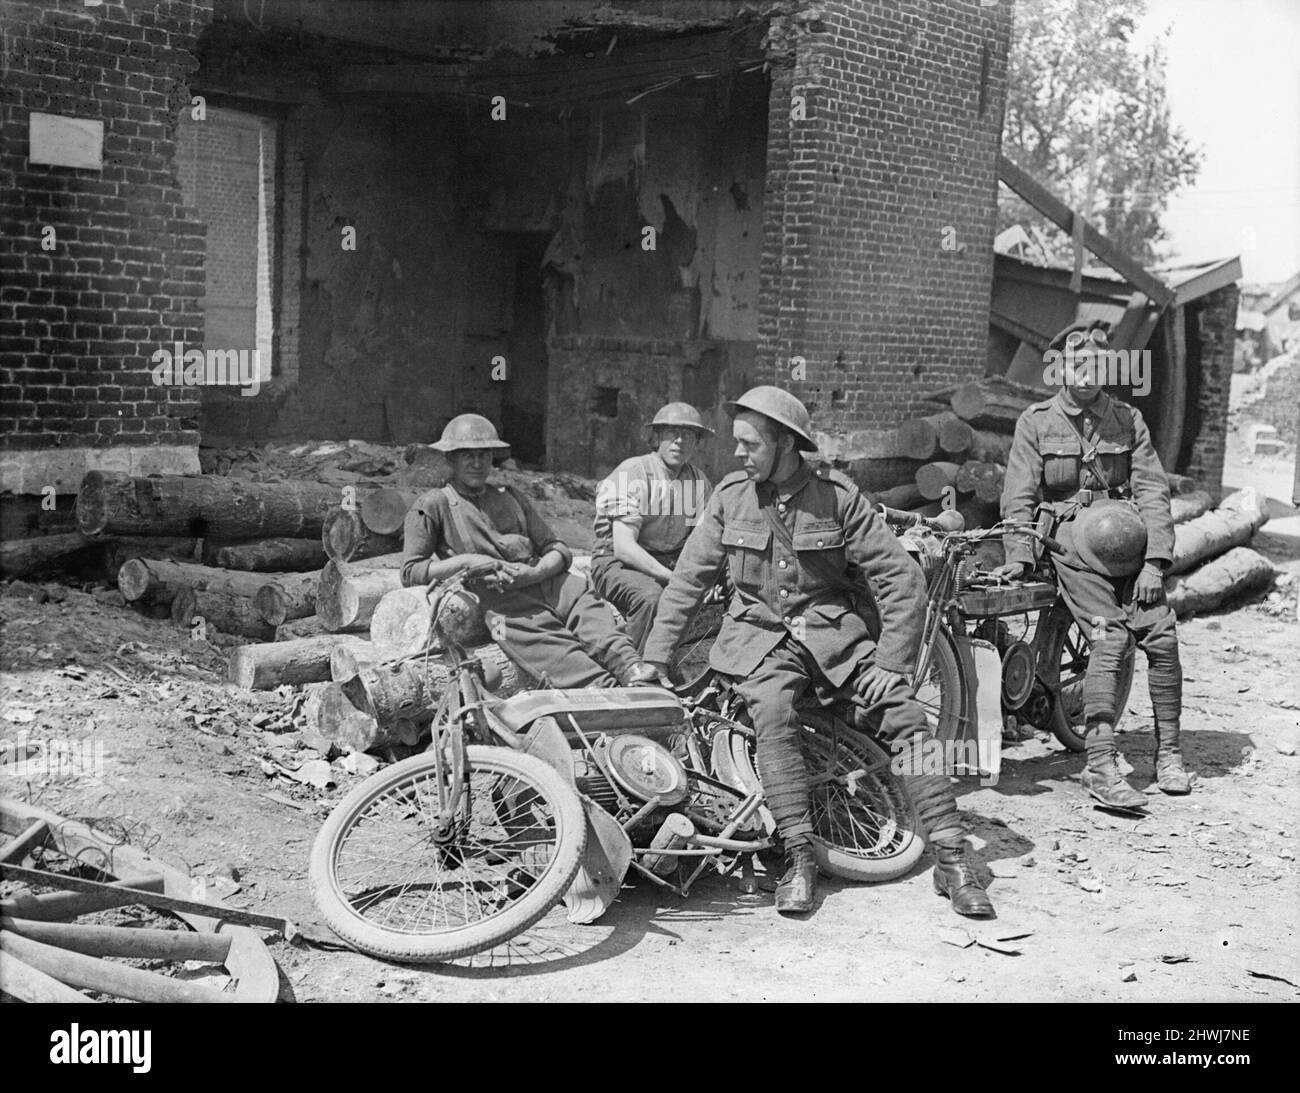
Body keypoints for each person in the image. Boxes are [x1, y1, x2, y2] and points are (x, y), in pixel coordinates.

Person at [643, 386, 996, 918]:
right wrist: (654, 658)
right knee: (772, 712)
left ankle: (950, 852)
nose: (739, 454)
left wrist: (890, 662)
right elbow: (687, 585)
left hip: (834, 640)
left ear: (786, 443)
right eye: (738, 444)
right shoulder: (730, 496)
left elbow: (901, 581)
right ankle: (799, 854)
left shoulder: (838, 497)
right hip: (757, 638)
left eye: (751, 444)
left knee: (901, 713)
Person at [992, 322, 1191, 808]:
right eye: (1077, 364)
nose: (1086, 372)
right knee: (1111, 636)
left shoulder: (1128, 420)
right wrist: (1020, 557)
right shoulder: (1036, 421)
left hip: (1127, 546)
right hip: (1070, 547)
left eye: (1097, 364)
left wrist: (1154, 564)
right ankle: (1100, 764)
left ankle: (1169, 754)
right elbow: (1018, 498)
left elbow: (1152, 492)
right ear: (1059, 367)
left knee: (1162, 637)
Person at [401, 414, 658, 689]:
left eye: (484, 455)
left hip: (548, 580)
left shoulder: (508, 495)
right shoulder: (432, 505)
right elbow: (410, 571)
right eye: (467, 455)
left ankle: (631, 668)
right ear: (450, 458)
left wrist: (536, 571)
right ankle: (609, 691)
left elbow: (556, 547)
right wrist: (468, 561)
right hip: (504, 600)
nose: (477, 463)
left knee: (592, 613)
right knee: (554, 651)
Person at [591, 403, 714, 649]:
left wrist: (706, 579)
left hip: (670, 560)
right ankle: (635, 672)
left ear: (697, 442)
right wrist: (675, 579)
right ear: (656, 437)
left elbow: (703, 541)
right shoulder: (633, 472)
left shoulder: (698, 481)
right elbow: (624, 548)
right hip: (617, 563)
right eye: (672, 433)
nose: (680, 441)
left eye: (688, 435)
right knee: (650, 597)